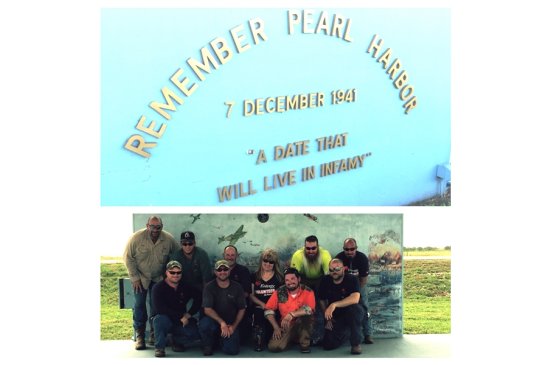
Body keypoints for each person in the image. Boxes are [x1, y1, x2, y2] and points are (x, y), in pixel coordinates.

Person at [123, 215, 179, 350]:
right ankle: (140, 335)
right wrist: (135, 278)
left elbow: (177, 255)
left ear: (162, 227)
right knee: (139, 305)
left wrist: (170, 275)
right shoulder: (136, 238)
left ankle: (154, 334)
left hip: (158, 279)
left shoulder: (168, 239)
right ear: (147, 226)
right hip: (140, 279)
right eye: (152, 226)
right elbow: (127, 258)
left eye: (158, 227)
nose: (155, 229)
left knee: (157, 307)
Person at [150, 261, 201, 357]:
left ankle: (176, 341)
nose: (175, 275)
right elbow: (160, 309)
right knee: (159, 320)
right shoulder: (158, 288)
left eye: (178, 272)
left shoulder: (185, 286)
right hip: (166, 319)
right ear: (166, 273)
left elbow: (199, 298)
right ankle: (160, 348)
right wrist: (180, 317)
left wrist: (189, 314)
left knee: (195, 333)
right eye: (172, 272)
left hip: (181, 321)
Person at [199, 260, 247, 356]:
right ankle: (208, 344)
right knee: (205, 324)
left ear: (229, 271)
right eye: (219, 270)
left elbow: (242, 309)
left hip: (230, 324)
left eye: (225, 269)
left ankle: (220, 340)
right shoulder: (209, 287)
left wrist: (234, 326)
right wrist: (222, 322)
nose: (222, 272)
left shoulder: (237, 287)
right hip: (214, 322)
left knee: (232, 351)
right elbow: (207, 309)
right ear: (215, 272)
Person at [290, 235, 332, 344]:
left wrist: (325, 295)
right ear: (304, 247)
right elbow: (293, 276)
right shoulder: (298, 255)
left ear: (318, 247)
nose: (311, 251)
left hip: (320, 279)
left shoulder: (325, 254)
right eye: (308, 248)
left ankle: (326, 327)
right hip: (304, 280)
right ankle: (300, 334)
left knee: (321, 301)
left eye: (313, 248)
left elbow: (329, 276)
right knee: (304, 303)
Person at [264, 267, 316, 353]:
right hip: (286, 325)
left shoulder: (308, 291)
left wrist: (292, 314)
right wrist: (276, 327)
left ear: (298, 279)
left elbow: (310, 309)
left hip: (301, 323)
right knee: (274, 347)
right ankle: (291, 339)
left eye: (292, 279)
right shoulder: (279, 291)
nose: (290, 282)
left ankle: (304, 344)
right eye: (287, 280)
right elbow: (268, 310)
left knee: (307, 317)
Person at [318, 258, 364, 355]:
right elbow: (321, 299)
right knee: (328, 345)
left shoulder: (352, 279)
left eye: (337, 269)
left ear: (343, 269)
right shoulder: (325, 280)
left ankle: (356, 344)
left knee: (354, 311)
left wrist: (334, 304)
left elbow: (355, 298)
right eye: (331, 270)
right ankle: (346, 333)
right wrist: (327, 318)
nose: (334, 272)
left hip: (352, 312)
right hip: (337, 316)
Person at [335, 237, 374, 344]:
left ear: (356, 248)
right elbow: (336, 277)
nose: (349, 252)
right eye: (347, 249)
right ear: (343, 249)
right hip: (343, 288)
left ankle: (368, 334)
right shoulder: (339, 258)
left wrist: (355, 294)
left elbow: (364, 280)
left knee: (365, 307)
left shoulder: (362, 258)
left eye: (352, 249)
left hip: (359, 286)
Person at [249, 248, 283, 351]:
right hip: (259, 307)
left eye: (271, 262)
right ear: (261, 261)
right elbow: (251, 295)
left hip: (274, 310)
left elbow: (281, 297)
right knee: (258, 314)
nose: (267, 264)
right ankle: (258, 341)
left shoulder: (279, 278)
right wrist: (263, 305)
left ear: (275, 263)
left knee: (271, 340)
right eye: (265, 261)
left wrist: (270, 307)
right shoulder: (254, 276)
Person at [223, 244, 252, 343]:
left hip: (238, 308)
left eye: (232, 255)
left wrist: (231, 300)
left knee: (240, 340)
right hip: (221, 308)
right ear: (223, 255)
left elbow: (247, 293)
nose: (230, 257)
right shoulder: (219, 271)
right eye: (228, 255)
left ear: (237, 256)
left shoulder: (243, 271)